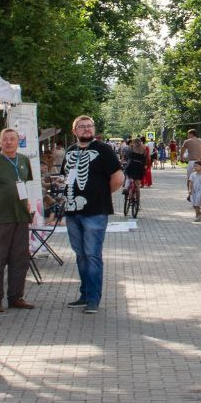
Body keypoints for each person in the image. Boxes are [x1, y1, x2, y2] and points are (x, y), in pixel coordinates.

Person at [61, 115, 124, 314]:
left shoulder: (103, 149)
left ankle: (94, 299)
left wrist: (101, 194)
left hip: (95, 212)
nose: (87, 129)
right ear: (74, 131)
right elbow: (66, 176)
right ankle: (85, 294)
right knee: (80, 255)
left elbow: (118, 177)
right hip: (72, 211)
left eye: (89, 126)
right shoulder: (70, 151)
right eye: (82, 127)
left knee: (92, 255)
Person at [0, 128, 36, 312]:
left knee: (20, 259)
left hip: (20, 217)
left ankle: (16, 297)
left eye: (12, 139)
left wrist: (27, 205)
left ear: (18, 141)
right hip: (0, 218)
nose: (9, 142)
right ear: (0, 142)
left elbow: (26, 186)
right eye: (5, 139)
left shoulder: (24, 161)